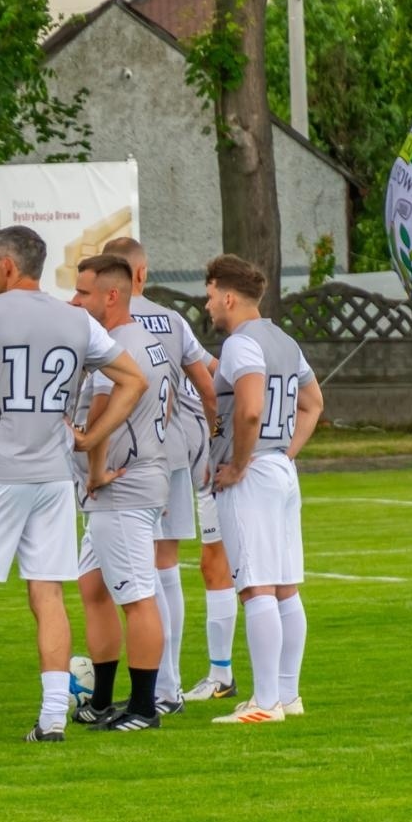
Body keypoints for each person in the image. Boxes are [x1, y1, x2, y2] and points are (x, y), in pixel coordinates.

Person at [0, 225, 147, 746]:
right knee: (47, 592)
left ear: (5, 264)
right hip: (52, 477)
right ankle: (52, 718)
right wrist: (89, 439)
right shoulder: (74, 319)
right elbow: (134, 380)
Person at [101, 235, 238, 706]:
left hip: (124, 464)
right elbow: (206, 383)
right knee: (164, 568)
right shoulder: (173, 319)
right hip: (176, 454)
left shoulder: (107, 321)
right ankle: (169, 683)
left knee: (133, 576)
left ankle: (154, 686)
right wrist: (211, 443)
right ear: (142, 272)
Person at [204, 254, 323, 723]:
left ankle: (266, 702)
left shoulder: (241, 344)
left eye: (211, 295)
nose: (208, 304)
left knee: (255, 588)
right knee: (285, 587)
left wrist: (238, 464)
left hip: (252, 476)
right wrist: (285, 453)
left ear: (229, 297)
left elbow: (249, 409)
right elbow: (313, 404)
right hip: (279, 471)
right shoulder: (285, 340)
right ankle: (287, 695)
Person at [68, 255, 177, 732]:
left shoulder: (111, 350)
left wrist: (95, 468)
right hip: (137, 481)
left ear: (111, 295)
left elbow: (100, 418)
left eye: (84, 293)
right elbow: (166, 407)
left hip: (120, 488)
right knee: (94, 588)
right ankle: (103, 699)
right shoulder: (150, 343)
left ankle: (144, 707)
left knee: (137, 597)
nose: (75, 301)